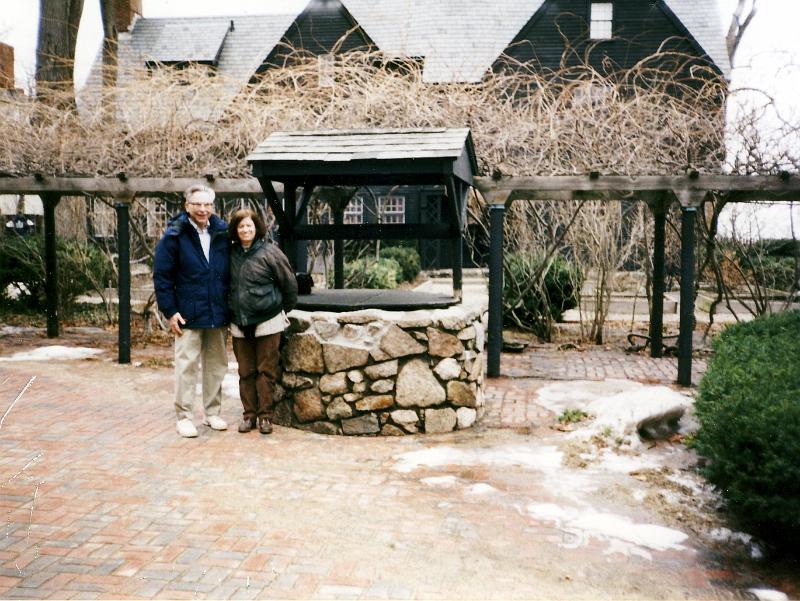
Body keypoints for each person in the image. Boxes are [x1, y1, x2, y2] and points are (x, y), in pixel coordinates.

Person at [153, 185, 230, 438]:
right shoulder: (175, 235)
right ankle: (184, 416)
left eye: (207, 204)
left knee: (216, 365)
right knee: (186, 366)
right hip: (187, 313)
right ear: (187, 206)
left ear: (212, 207)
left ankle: (212, 413)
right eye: (197, 204)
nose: (203, 209)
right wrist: (170, 311)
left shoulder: (222, 232)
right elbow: (162, 276)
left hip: (217, 311)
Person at [228, 209, 297, 434]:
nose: (245, 230)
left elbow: (289, 286)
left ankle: (265, 416)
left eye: (249, 226)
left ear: (257, 227)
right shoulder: (230, 254)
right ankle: (249, 415)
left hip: (268, 321)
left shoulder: (271, 253)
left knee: (266, 370)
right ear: (235, 230)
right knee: (245, 372)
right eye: (241, 226)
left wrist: (279, 310)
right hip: (240, 322)